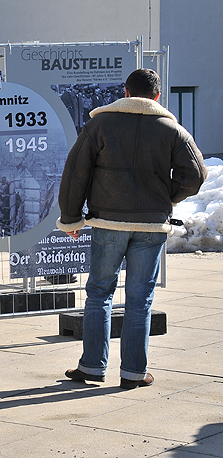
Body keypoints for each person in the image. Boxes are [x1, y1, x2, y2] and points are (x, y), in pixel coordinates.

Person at [58, 69, 206, 389]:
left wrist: (71, 218)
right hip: (151, 226)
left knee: (100, 293)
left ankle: (93, 367)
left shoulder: (99, 124)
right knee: (141, 299)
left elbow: (75, 173)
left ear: (125, 92)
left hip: (108, 223)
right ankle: (134, 372)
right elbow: (195, 174)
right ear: (156, 96)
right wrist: (167, 196)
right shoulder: (170, 129)